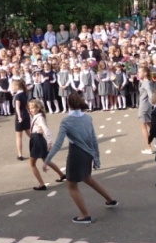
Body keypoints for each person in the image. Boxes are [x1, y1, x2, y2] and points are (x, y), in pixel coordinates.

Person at [44, 92, 118, 223]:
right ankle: (110, 200)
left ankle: (84, 215)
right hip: (88, 153)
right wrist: (96, 157)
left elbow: (59, 143)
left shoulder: (66, 121)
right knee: (88, 178)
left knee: (72, 185)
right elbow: (94, 138)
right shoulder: (88, 118)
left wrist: (48, 159)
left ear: (68, 104)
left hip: (76, 154)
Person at [27, 99, 66, 190]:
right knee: (46, 159)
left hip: (37, 140)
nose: (31, 110)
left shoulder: (39, 118)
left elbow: (46, 129)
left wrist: (49, 142)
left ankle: (41, 184)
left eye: (33, 108)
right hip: (36, 139)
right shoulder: (37, 116)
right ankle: (62, 175)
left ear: (38, 108)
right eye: (30, 108)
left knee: (32, 164)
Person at [137, 66, 154, 155]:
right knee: (151, 125)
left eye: (140, 72)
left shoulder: (146, 83)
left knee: (143, 127)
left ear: (145, 73)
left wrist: (154, 105)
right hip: (147, 106)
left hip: (144, 107)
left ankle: (148, 148)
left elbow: (150, 95)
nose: (138, 74)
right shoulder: (146, 82)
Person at [12, 79, 30, 161]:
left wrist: (19, 117)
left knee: (18, 137)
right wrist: (30, 114)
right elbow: (27, 106)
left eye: (12, 86)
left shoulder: (18, 96)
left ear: (16, 86)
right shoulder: (24, 94)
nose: (12, 87)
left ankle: (20, 155)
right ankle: (42, 146)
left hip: (20, 116)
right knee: (29, 134)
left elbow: (17, 108)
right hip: (26, 115)